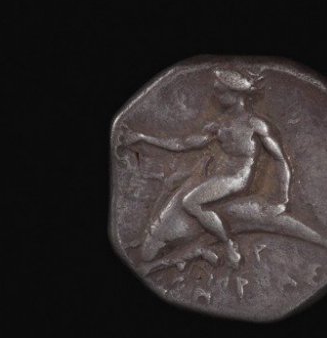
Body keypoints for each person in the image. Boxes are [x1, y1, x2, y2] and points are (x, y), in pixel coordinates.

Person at [122, 69, 290, 265]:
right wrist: (144, 138)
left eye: (220, 91)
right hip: (216, 174)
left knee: (190, 202)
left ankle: (229, 246)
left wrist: (283, 197)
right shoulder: (220, 125)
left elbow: (279, 158)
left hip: (237, 178)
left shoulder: (255, 125)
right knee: (173, 181)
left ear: (236, 95)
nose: (215, 96)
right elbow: (184, 144)